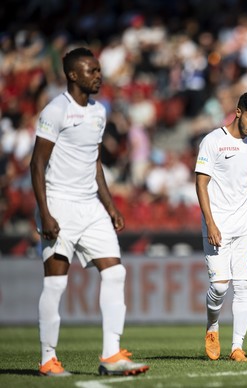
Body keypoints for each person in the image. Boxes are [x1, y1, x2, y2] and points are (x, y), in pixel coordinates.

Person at [30, 47, 149, 377]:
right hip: (59, 204)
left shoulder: (99, 112)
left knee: (115, 273)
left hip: (91, 206)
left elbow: (93, 161)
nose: (98, 75)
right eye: (91, 71)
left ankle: (111, 355)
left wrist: (110, 206)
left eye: (98, 70)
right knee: (56, 284)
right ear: (72, 75)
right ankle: (47, 359)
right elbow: (36, 164)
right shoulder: (56, 111)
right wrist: (46, 213)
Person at [195, 88, 247, 362]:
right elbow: (201, 183)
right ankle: (212, 326)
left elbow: (243, 183)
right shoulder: (213, 141)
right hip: (218, 226)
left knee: (244, 286)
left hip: (246, 225)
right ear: (238, 112)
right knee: (220, 287)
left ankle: (237, 347)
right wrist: (210, 223)